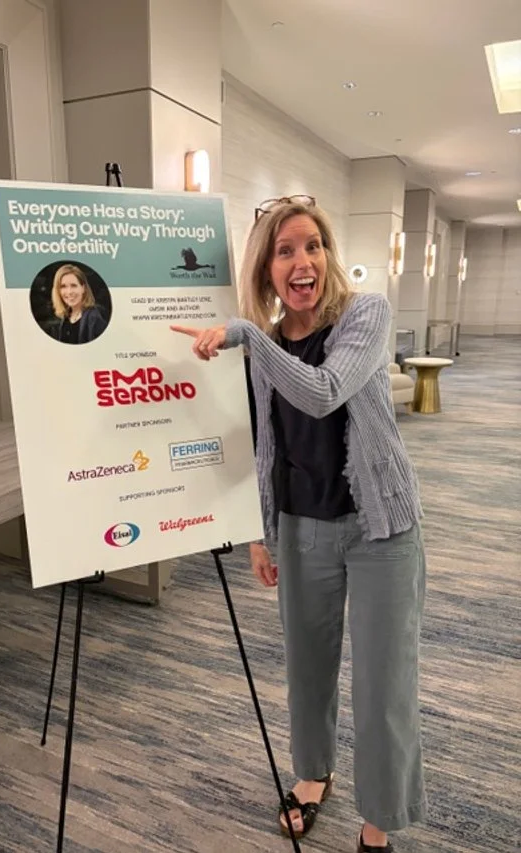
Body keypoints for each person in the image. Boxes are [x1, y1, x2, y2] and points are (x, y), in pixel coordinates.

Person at [171, 196, 426, 853]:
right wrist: (261, 530)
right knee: (308, 669)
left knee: (382, 682)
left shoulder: (365, 315)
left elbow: (321, 389)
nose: (303, 260)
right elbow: (266, 441)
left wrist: (250, 335)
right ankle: (313, 774)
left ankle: (378, 820)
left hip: (380, 529)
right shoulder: (264, 345)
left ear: (328, 255)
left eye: (313, 245)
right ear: (266, 268)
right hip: (301, 523)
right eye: (285, 250)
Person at [50, 263, 107, 344]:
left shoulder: (94, 317)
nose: (69, 292)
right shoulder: (65, 319)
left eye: (73, 285)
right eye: (63, 286)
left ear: (83, 288)